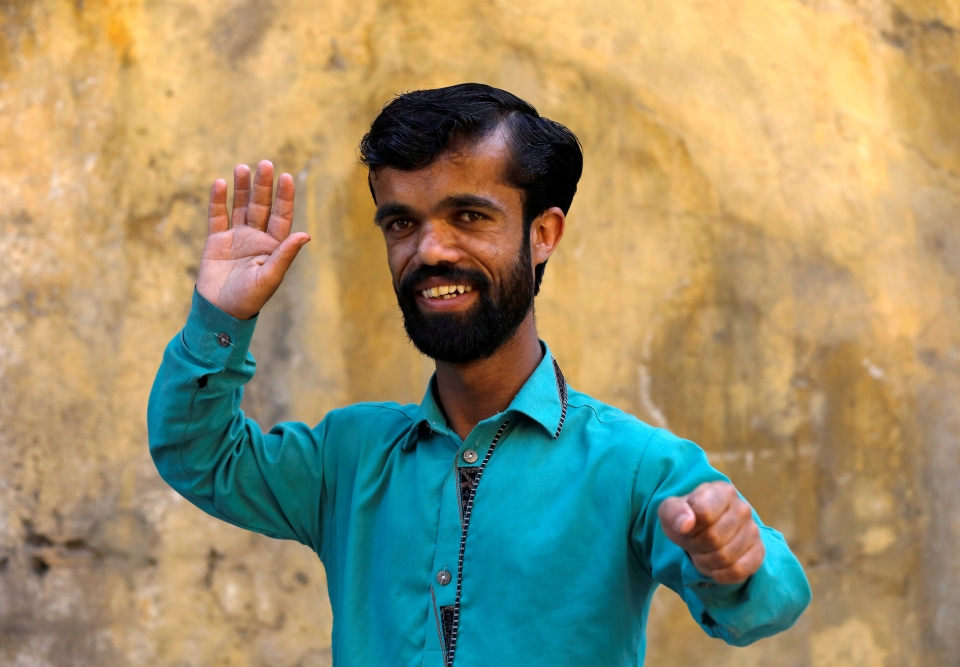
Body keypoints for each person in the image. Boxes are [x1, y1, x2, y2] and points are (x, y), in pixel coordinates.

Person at [148, 83, 810, 666]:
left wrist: (737, 560)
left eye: (469, 216)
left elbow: (770, 600)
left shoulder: (632, 465)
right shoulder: (348, 459)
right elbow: (198, 454)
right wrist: (221, 315)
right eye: (402, 222)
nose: (429, 250)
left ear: (543, 233)